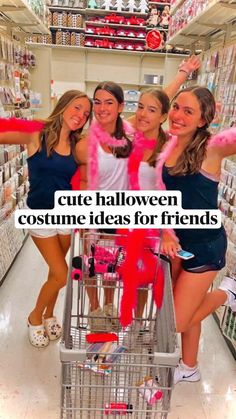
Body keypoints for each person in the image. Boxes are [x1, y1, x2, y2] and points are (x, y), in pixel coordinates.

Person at [72, 56, 201, 333]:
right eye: (139, 108)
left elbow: (160, 103)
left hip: (151, 224)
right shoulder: (130, 133)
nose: (143, 114)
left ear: (163, 116)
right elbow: (156, 101)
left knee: (144, 277)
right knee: (108, 267)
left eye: (151, 111)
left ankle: (139, 323)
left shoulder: (170, 147)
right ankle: (104, 313)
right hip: (122, 219)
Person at [155, 86, 236, 383]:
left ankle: (228, 293)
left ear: (203, 120)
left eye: (188, 111)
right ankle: (189, 367)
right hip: (178, 246)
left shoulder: (212, 147)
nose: (177, 115)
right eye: (176, 107)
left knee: (176, 320)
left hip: (205, 247)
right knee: (188, 314)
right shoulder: (167, 145)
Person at [0, 90, 92, 348]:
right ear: (62, 106)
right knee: (62, 274)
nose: (80, 116)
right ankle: (34, 316)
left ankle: (50, 314)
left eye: (85, 114)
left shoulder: (78, 143)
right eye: (76, 108)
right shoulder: (36, 134)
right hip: (39, 215)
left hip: (66, 214)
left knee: (55, 271)